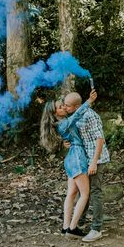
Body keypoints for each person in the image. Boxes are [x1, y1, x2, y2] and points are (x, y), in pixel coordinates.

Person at [40, 90, 97, 238]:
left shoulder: (61, 123)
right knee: (84, 194)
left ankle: (66, 227)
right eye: (60, 107)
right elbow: (77, 115)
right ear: (55, 114)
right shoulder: (64, 123)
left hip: (71, 158)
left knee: (71, 194)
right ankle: (72, 229)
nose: (64, 108)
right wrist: (89, 101)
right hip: (77, 157)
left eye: (63, 106)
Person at [63, 92, 110, 242]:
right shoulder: (74, 116)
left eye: (67, 105)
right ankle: (78, 224)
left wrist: (94, 162)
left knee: (95, 192)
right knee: (84, 193)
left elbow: (100, 139)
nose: (65, 107)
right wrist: (66, 143)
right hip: (83, 159)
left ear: (76, 106)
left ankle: (96, 228)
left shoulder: (91, 115)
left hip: (95, 159)